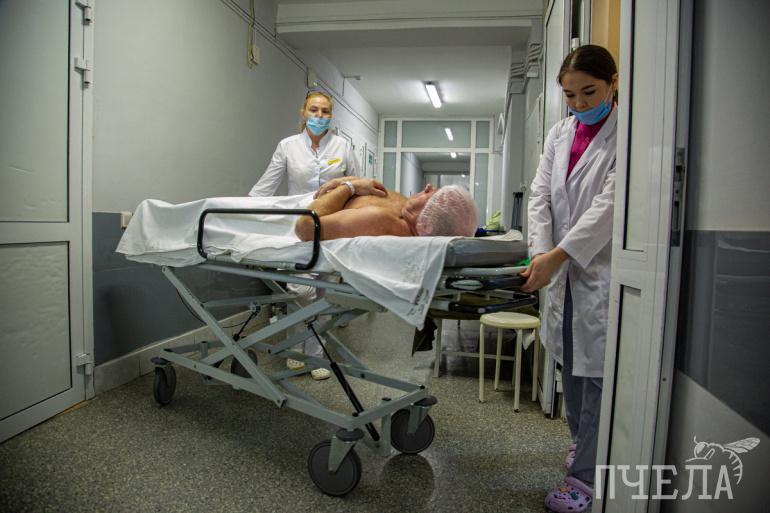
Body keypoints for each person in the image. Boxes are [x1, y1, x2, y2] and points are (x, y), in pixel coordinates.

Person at [521, 44, 618, 513]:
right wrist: (542, 253)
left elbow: (608, 207)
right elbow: (540, 195)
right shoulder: (560, 133)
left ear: (612, 84)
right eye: (570, 95)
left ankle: (585, 481)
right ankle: (582, 444)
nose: (579, 104)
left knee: (595, 376)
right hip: (561, 271)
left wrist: (557, 257)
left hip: (599, 271)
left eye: (589, 92)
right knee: (571, 369)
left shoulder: (627, 134)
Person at [249, 90, 357, 380]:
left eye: (325, 111)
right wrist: (245, 213)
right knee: (301, 291)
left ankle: (316, 356)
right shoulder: (288, 146)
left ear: (331, 116)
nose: (319, 116)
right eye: (314, 110)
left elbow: (356, 187)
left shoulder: (343, 147)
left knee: (325, 292)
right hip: (298, 228)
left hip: (333, 228)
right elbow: (265, 187)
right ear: (303, 112)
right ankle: (296, 348)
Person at [294, 178, 478, 241]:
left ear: (428, 225)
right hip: (323, 196)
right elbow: (368, 186)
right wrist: (349, 182)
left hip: (298, 209)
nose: (429, 186)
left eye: (434, 194)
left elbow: (304, 227)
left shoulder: (379, 221)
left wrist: (349, 187)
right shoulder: (407, 213)